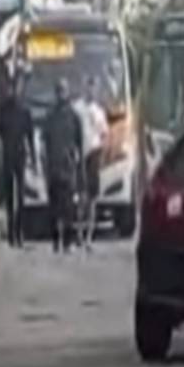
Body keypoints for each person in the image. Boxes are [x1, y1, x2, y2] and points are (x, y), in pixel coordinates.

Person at [44, 78, 83, 253]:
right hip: (53, 168)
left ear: (67, 93)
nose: (61, 93)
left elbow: (79, 143)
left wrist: (77, 162)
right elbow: (45, 142)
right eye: (59, 90)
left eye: (64, 90)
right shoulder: (50, 116)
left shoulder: (74, 116)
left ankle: (67, 242)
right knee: (53, 208)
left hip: (68, 169)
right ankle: (55, 241)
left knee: (68, 208)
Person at [0, 74, 35, 248]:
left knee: (21, 197)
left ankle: (20, 233)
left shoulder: (25, 112)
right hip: (8, 157)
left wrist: (32, 159)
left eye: (16, 88)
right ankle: (12, 233)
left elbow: (30, 137)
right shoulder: (3, 110)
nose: (14, 91)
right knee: (10, 197)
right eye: (12, 88)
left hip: (20, 156)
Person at [73, 75, 109, 244]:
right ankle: (79, 233)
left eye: (94, 88)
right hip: (81, 155)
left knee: (92, 199)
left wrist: (102, 153)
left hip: (93, 155)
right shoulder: (77, 108)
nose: (91, 91)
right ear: (84, 88)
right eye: (89, 87)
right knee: (81, 197)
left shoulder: (99, 111)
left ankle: (88, 236)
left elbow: (104, 134)